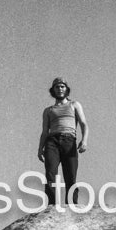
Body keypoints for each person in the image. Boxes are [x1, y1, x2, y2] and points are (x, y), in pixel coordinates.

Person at [37, 77, 88, 206]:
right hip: (52, 142)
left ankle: (72, 205)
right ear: (53, 90)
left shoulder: (74, 104)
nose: (60, 89)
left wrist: (84, 140)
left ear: (66, 89)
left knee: (70, 176)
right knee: (50, 174)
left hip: (69, 141)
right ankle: (51, 206)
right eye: (57, 87)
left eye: (62, 86)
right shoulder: (48, 110)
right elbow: (44, 131)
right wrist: (39, 149)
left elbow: (84, 124)